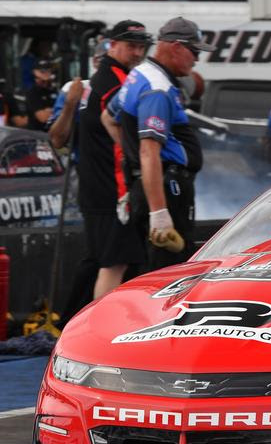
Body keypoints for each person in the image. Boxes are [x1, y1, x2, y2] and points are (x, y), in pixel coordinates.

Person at [104, 17, 214, 270]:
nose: (196, 59)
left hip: (150, 184)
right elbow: (149, 151)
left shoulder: (139, 74)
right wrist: (159, 213)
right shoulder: (158, 87)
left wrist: (135, 165)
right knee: (170, 272)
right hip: (168, 187)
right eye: (194, 51)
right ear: (176, 47)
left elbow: (108, 118)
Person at [75, 21, 153, 304]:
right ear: (112, 44)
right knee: (115, 263)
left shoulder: (100, 76)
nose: (137, 52)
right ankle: (98, 334)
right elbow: (124, 132)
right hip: (112, 187)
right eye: (131, 45)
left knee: (101, 260)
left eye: (141, 46)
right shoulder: (116, 80)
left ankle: (72, 322)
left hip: (95, 184)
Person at [25, 60, 59, 131]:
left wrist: (51, 111)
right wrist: (58, 110)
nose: (46, 73)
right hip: (37, 135)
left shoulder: (54, 90)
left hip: (53, 132)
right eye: (42, 71)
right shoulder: (33, 92)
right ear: (35, 73)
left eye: (48, 70)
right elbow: (43, 118)